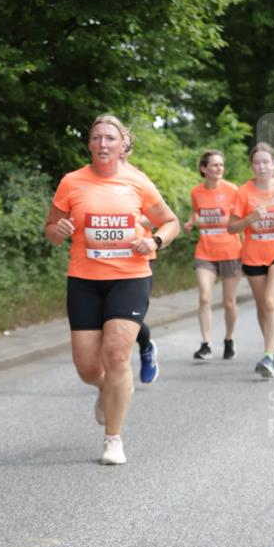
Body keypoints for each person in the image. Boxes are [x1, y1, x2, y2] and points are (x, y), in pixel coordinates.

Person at [44, 114, 179, 465]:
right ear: (89, 144)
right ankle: (107, 389)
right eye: (96, 137)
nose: (103, 144)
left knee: (117, 354)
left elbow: (170, 221)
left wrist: (155, 241)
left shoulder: (137, 182)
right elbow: (50, 229)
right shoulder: (72, 182)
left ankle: (113, 439)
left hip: (130, 277)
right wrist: (58, 230)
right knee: (88, 367)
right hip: (85, 280)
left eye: (110, 138)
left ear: (122, 146)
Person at [229, 142, 274, 378]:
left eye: (266, 162)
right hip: (253, 254)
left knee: (271, 301)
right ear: (252, 166)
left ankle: (269, 355)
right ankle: (271, 348)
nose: (261, 167)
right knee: (263, 306)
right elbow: (231, 228)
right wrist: (250, 218)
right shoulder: (243, 192)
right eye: (257, 162)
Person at [184, 149, 241, 362]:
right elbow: (196, 213)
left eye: (221, 165)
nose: (219, 169)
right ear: (203, 168)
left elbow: (239, 217)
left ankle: (229, 339)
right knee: (205, 296)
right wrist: (192, 221)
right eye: (214, 165)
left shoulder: (232, 191)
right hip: (205, 251)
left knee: (229, 302)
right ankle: (206, 344)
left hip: (231, 251)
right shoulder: (196, 192)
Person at [121, 131, 159, 384]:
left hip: (137, 258)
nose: (117, 149)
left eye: (123, 146)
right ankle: (111, 378)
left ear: (128, 150)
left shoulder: (138, 179)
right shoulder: (90, 179)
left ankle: (146, 347)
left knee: (128, 320)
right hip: (99, 262)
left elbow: (159, 217)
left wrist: (132, 219)